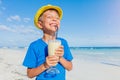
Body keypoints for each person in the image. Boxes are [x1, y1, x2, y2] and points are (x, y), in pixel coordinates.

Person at [23, 4, 73, 80]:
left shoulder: (63, 43)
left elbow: (70, 67)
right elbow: (29, 74)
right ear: (40, 24)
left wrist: (60, 58)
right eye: (49, 17)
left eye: (57, 18)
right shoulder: (34, 46)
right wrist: (45, 65)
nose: (55, 19)